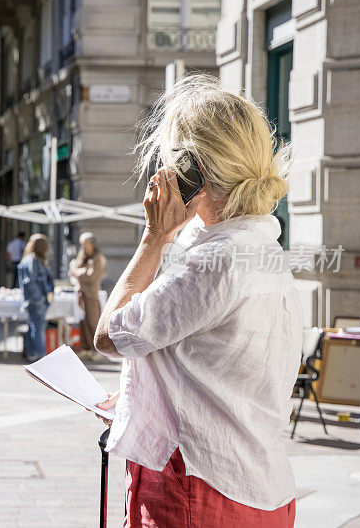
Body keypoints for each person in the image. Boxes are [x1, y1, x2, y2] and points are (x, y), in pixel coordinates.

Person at [93, 75, 300, 527]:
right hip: (257, 490)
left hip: (197, 493)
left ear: (191, 169)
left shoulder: (214, 260)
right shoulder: (261, 247)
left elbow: (109, 334)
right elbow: (216, 369)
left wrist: (154, 237)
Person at [69, 232, 107, 361]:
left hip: (91, 295)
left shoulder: (98, 258)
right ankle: (86, 349)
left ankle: (98, 350)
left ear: (92, 244)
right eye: (82, 244)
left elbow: (91, 276)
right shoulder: (82, 257)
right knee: (83, 323)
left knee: (93, 323)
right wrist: (81, 272)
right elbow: (72, 271)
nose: (84, 247)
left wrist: (78, 272)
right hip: (81, 295)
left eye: (86, 244)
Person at [18, 234, 54, 363]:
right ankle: (40, 356)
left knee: (33, 326)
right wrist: (39, 299)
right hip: (35, 301)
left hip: (34, 300)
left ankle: (32, 353)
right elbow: (30, 282)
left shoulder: (32, 260)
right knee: (38, 328)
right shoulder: (32, 261)